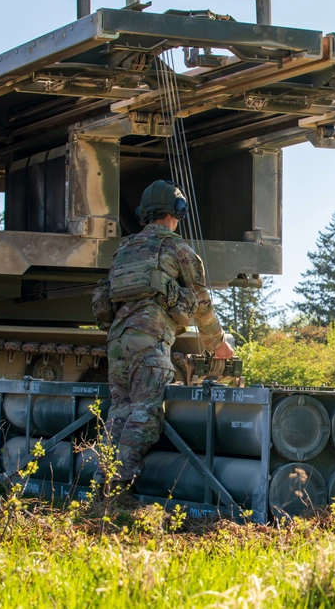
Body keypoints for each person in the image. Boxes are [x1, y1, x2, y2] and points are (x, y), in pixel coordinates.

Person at [91, 180, 233, 498]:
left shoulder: (125, 248)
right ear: (177, 211)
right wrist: (217, 343)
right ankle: (117, 489)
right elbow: (201, 301)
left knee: (121, 410)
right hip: (150, 341)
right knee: (146, 413)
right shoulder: (176, 248)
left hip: (117, 342)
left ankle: (103, 478)